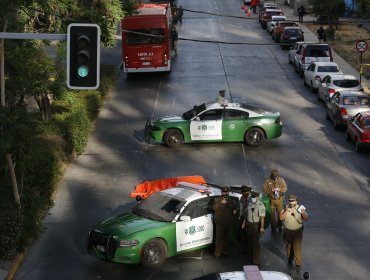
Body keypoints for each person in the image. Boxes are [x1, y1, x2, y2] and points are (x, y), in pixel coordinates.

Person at [279, 194, 309, 272]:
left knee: (297, 247)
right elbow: (281, 218)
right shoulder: (285, 207)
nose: (291, 202)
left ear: (296, 201)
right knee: (289, 247)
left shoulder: (300, 208)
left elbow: (306, 218)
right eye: (289, 201)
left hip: (297, 232)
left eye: (292, 201)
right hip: (288, 231)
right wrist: (285, 210)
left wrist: (302, 213)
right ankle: (289, 259)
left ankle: (298, 264)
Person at [213, 186, 238, 260]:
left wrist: (234, 209)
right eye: (224, 192)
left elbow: (234, 208)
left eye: (226, 192)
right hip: (220, 222)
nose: (225, 193)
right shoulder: (217, 200)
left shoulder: (231, 200)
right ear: (221, 192)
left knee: (226, 237)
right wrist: (221, 203)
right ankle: (218, 253)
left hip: (228, 221)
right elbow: (214, 208)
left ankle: (225, 251)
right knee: (219, 238)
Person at [243, 191, 265, 265]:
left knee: (255, 244)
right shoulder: (250, 203)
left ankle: (256, 261)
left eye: (254, 197)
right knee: (249, 242)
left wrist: (261, 227)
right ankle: (251, 258)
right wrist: (243, 223)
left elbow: (262, 217)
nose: (252, 199)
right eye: (252, 197)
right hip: (248, 224)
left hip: (255, 225)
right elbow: (246, 214)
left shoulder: (261, 205)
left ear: (258, 197)